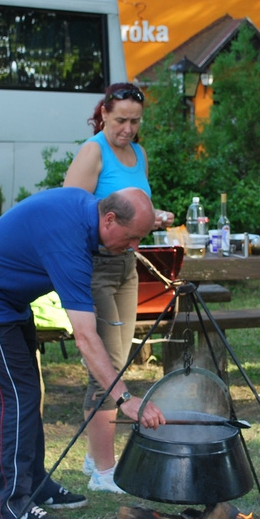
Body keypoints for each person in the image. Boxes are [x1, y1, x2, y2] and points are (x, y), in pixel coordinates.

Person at [0, 187, 167, 519]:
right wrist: (125, 398)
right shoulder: (69, 243)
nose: (134, 247)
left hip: (10, 303)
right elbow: (85, 336)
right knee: (14, 401)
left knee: (31, 392)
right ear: (109, 219)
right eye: (132, 237)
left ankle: (36, 484)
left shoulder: (85, 214)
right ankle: (12, 505)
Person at [63, 83, 174, 494]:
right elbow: (69, 208)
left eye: (135, 121)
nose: (128, 129)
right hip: (95, 264)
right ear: (104, 114)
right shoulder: (93, 150)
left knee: (120, 359)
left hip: (127, 262)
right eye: (120, 120)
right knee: (104, 368)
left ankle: (95, 456)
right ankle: (105, 474)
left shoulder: (138, 153)